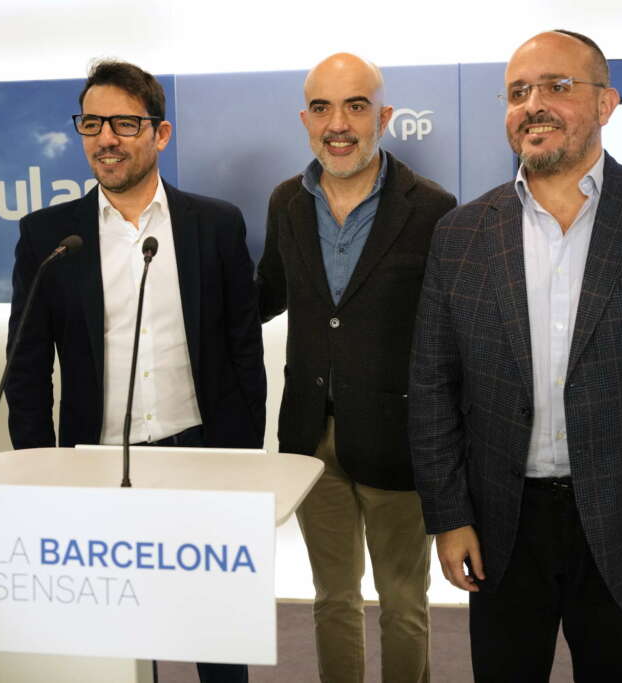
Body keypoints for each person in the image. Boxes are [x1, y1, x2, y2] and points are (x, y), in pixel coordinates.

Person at [409, 30, 622, 682]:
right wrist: (449, 516)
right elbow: (432, 386)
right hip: (502, 525)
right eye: (518, 92)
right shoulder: (461, 234)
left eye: (558, 87)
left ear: (606, 103)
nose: (534, 104)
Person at [5, 60, 266, 683]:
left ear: (161, 134)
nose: (106, 138)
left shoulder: (216, 223)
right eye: (92, 122)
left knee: (218, 630)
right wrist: (40, 470)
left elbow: (243, 349)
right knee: (105, 636)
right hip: (93, 460)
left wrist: (243, 459)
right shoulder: (48, 235)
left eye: (125, 122)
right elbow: (26, 364)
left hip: (203, 454)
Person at [257, 53, 457, 683]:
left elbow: (449, 334)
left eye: (355, 106)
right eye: (322, 108)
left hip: (398, 441)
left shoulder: (431, 208)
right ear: (304, 120)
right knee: (333, 600)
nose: (337, 124)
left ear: (385, 117)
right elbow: (267, 294)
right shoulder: (287, 200)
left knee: (403, 605)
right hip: (311, 441)